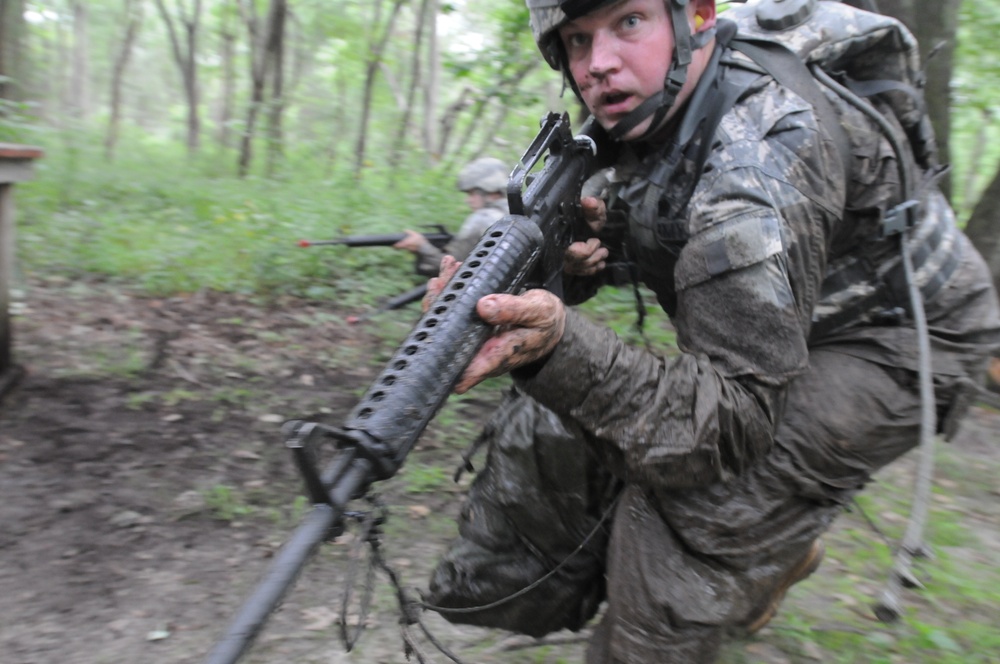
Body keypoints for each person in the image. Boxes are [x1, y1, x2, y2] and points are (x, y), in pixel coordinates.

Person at [425, 1, 1000, 662]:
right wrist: (578, 261)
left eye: (628, 22)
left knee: (681, 516)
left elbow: (729, 422)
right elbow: (666, 220)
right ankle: (769, 541)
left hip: (896, 335)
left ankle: (737, 556)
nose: (599, 62)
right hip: (792, 313)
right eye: (576, 40)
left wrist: (560, 346)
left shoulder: (760, 156)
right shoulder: (645, 105)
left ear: (693, 14)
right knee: (571, 436)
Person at [393, 156, 511, 275]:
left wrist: (422, 247)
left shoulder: (483, 219)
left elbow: (453, 270)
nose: (468, 200)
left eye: (472, 193)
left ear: (488, 190)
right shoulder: (514, 214)